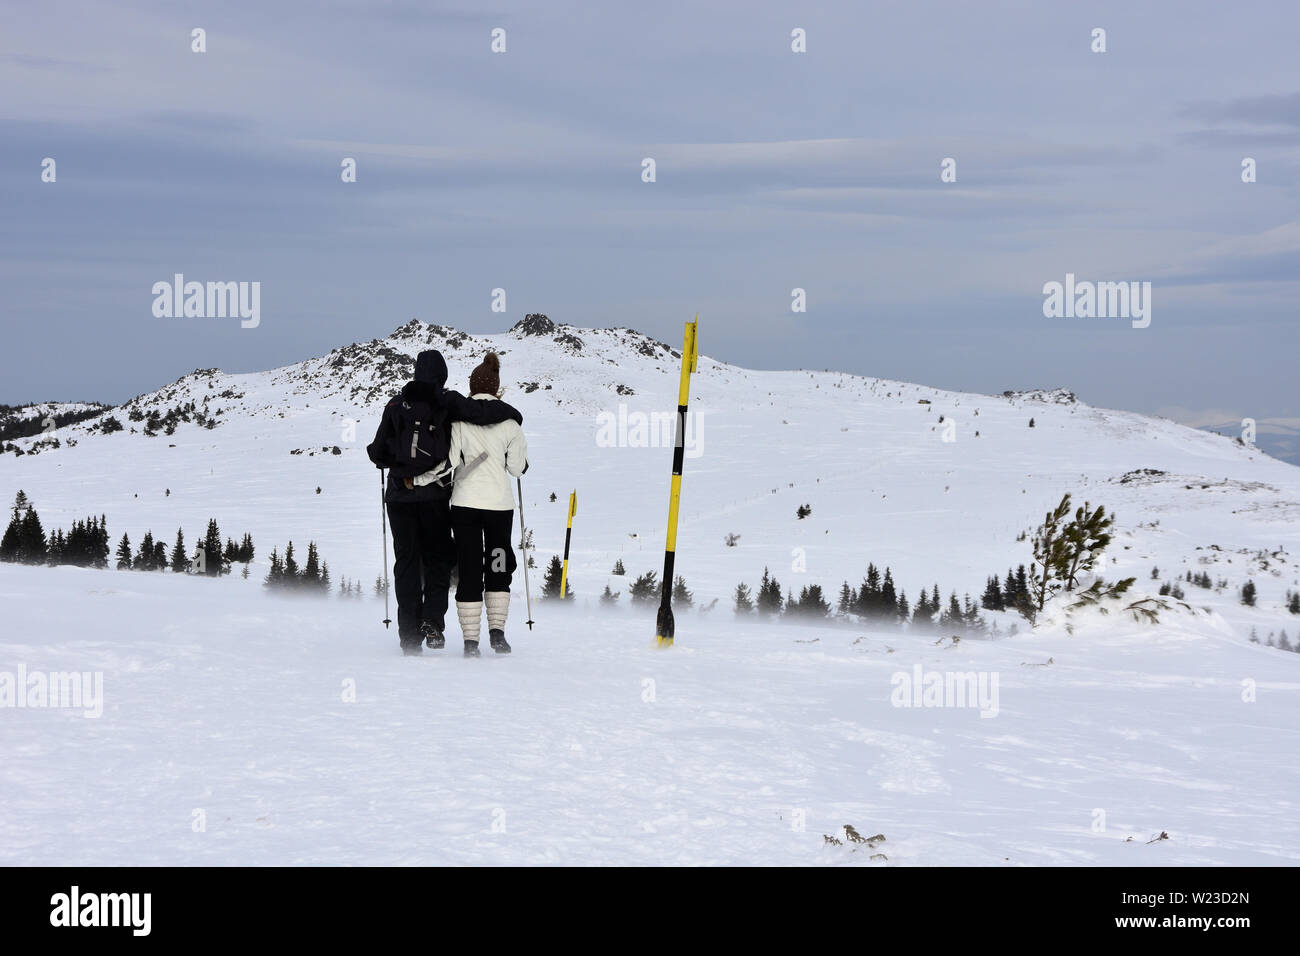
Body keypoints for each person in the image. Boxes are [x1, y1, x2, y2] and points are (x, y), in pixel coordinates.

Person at [367, 349, 522, 655]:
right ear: (443, 375)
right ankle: (433, 624)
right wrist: (513, 415)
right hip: (435, 497)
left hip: (399, 497)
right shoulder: (447, 401)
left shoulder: (396, 404)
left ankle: (408, 636)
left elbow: (378, 452)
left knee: (407, 562)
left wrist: (394, 463)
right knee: (438, 558)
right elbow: (481, 412)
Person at [414, 352, 527, 657]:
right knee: (498, 564)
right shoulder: (511, 424)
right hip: (500, 507)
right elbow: (517, 469)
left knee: (469, 567)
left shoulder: (460, 420)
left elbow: (449, 464)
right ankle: (498, 633)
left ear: (472, 386)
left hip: (464, 504)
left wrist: (420, 480)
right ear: (497, 387)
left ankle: (470, 642)